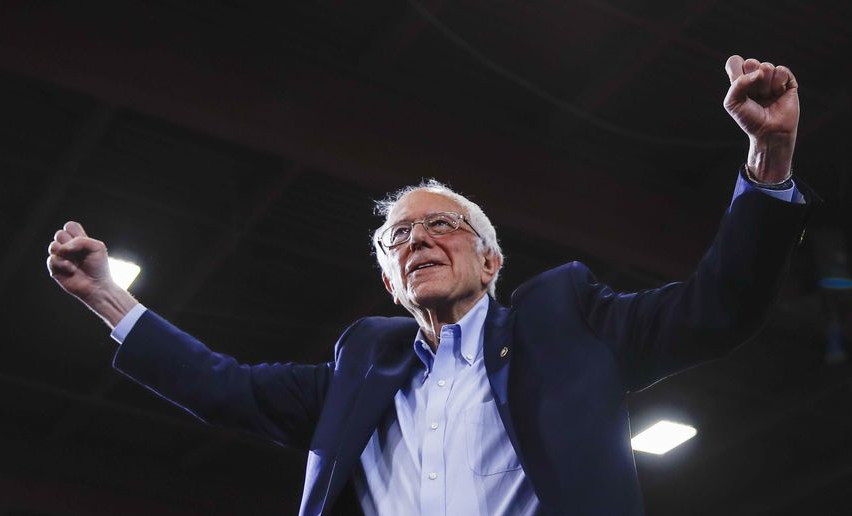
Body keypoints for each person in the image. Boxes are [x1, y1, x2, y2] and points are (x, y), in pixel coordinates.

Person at [47, 55, 814, 515]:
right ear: (389, 281)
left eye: (442, 226)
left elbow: (717, 307)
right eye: (398, 239)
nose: (418, 240)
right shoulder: (361, 367)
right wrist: (103, 295)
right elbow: (224, 387)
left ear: (491, 261)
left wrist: (768, 156)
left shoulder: (567, 321)